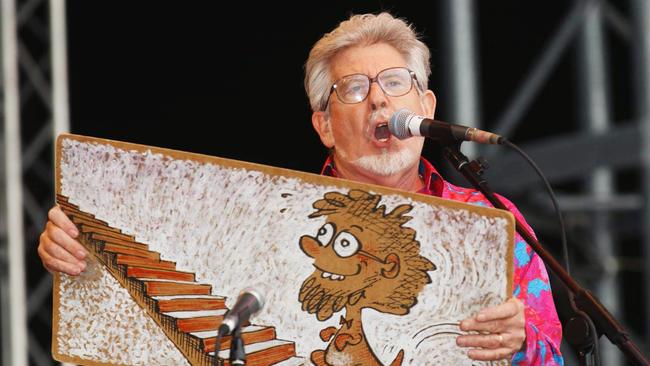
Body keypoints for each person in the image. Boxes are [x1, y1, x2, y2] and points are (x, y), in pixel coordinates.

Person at [39, 11, 563, 365]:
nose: (379, 102)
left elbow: (553, 352)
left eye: (397, 82)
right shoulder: (271, 217)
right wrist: (82, 251)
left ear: (426, 108)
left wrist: (521, 343)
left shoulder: (490, 218)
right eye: (354, 89)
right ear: (325, 126)